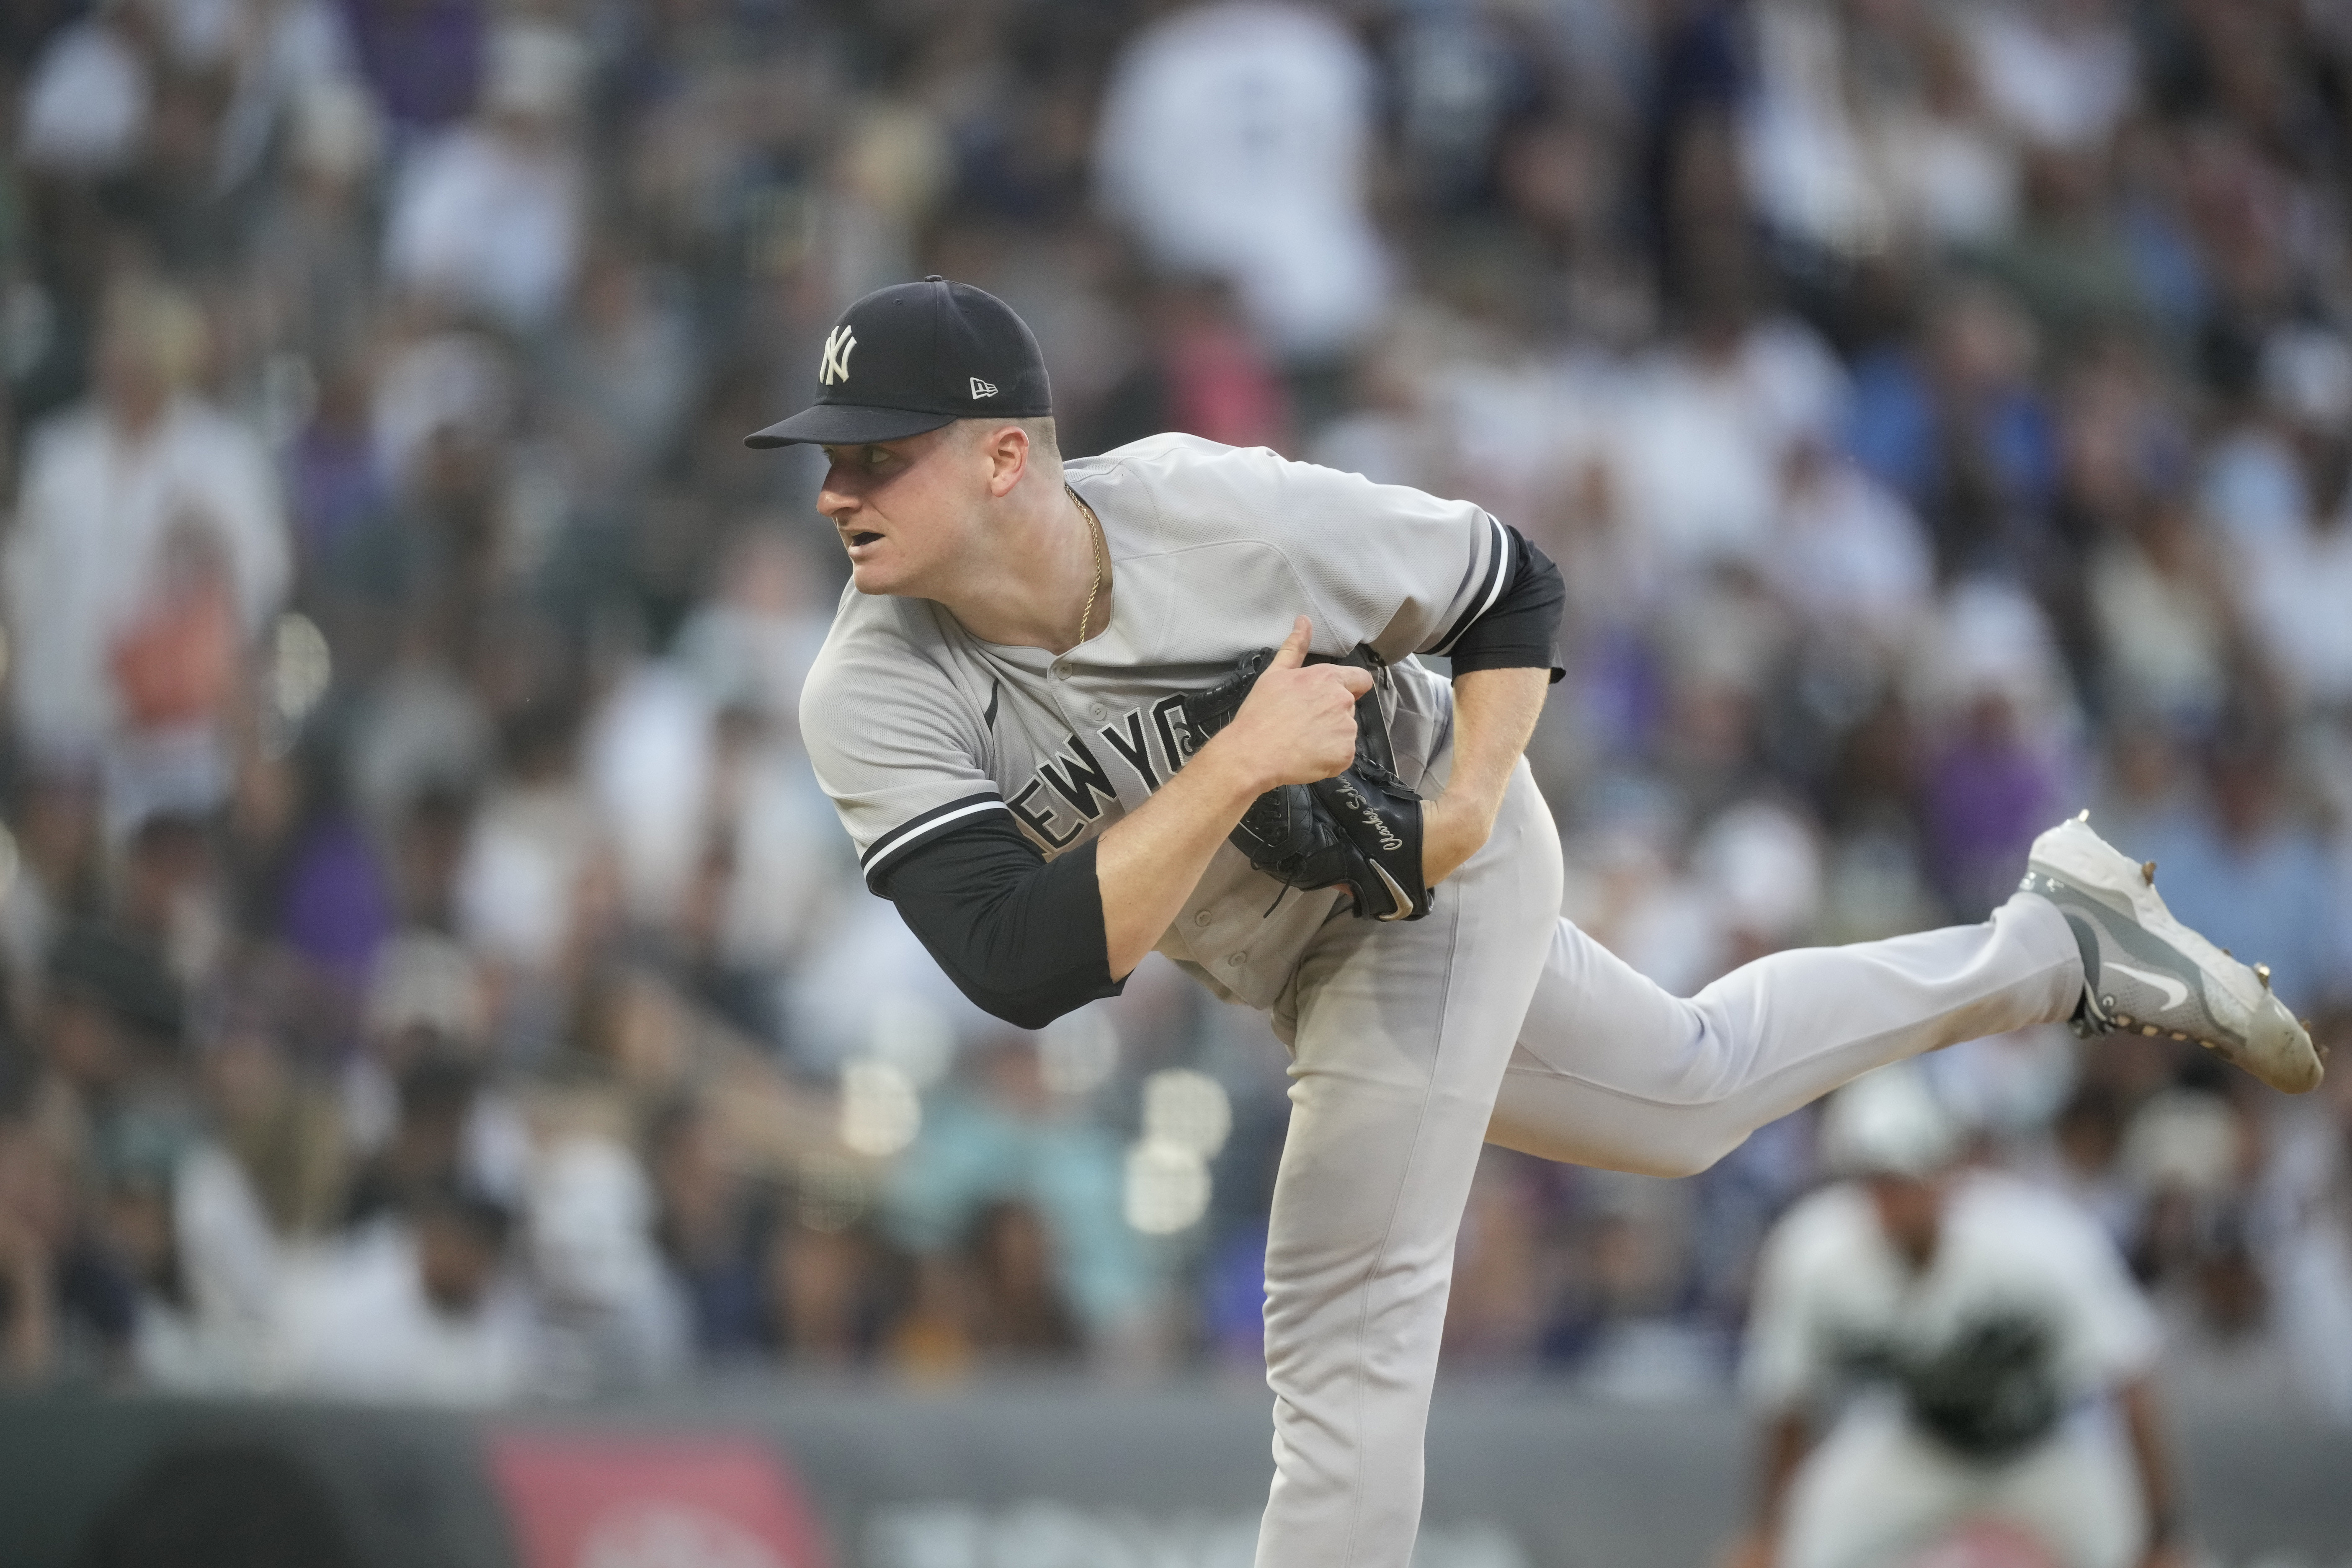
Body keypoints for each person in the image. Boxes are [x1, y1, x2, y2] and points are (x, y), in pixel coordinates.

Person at [743, 277, 2322, 1568]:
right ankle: (2056, 945)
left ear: (1003, 457)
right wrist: (1238, 760)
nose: (833, 487)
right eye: (831, 455)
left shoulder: (1214, 512)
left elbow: (1510, 582)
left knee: (1343, 1291)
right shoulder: (869, 688)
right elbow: (1022, 966)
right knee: (1690, 1092)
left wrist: (1464, 805)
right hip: (1290, 950)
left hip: (1434, 871)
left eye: (873, 454)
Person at [1730, 1064, 2184, 1568]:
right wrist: (1769, 1531)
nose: (1896, 1199)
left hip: (2043, 1447)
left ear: (1949, 1168)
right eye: (1876, 1178)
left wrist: (2163, 1530)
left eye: (1908, 1177)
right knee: (1797, 1553)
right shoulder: (1814, 1253)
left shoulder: (2043, 1244)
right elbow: (1789, 1401)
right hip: (1919, 1441)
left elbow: (2131, 1378)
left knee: (2148, 1558)